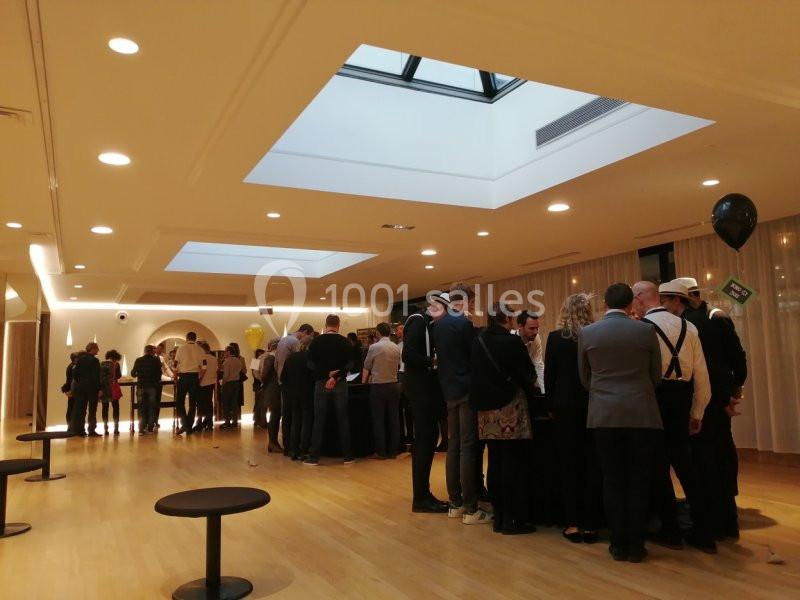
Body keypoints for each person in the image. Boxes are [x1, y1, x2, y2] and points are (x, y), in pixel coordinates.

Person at [578, 283, 662, 563]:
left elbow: (584, 377)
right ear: (631, 304)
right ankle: (637, 545)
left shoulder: (588, 333)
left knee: (612, 479)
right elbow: (656, 374)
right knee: (639, 479)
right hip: (641, 412)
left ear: (604, 302)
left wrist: (604, 392)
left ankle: (617, 543)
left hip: (603, 413)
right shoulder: (645, 330)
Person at [633, 280, 715, 552]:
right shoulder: (689, 327)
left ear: (641, 299)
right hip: (682, 396)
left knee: (658, 466)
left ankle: (670, 529)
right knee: (686, 466)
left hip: (655, 397)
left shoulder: (642, 329)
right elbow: (703, 376)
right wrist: (697, 412)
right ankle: (705, 530)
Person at [673, 276, 747, 540]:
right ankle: (726, 514)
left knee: (710, 457)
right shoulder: (712, 317)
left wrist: (734, 387)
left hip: (708, 399)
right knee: (721, 452)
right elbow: (737, 358)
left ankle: (717, 516)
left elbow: (729, 359)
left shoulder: (703, 321)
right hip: (718, 396)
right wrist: (735, 385)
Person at [472, 303, 540, 535]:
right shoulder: (511, 342)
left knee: (495, 462)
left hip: (485, 411)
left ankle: (499, 517)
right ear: (508, 318)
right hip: (509, 407)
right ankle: (514, 519)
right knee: (513, 464)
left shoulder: (477, 341)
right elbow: (527, 374)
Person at [544, 293, 602, 544]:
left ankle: (573, 522)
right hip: (594, 402)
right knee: (592, 462)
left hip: (565, 405)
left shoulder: (556, 338)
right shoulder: (597, 335)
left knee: (568, 463)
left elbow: (549, 376)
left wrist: (550, 406)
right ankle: (592, 522)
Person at [432, 283, 488, 524]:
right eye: (472, 302)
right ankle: (470, 507)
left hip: (448, 389)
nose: (473, 307)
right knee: (467, 446)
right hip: (466, 389)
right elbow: (472, 357)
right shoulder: (463, 323)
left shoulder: (439, 324)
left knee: (453, 445)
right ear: (464, 301)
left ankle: (454, 502)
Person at [403, 296, 449, 513]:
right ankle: (421, 497)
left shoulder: (425, 323)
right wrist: (433, 361)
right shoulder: (418, 321)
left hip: (425, 390)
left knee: (428, 440)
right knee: (425, 441)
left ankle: (423, 494)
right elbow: (409, 354)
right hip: (421, 390)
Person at [304, 315, 353, 466]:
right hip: (340, 384)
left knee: (319, 420)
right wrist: (336, 376)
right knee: (343, 419)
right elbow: (351, 364)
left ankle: (314, 457)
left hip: (321, 384)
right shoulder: (345, 341)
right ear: (338, 326)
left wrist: (326, 375)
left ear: (326, 325)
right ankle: (348, 456)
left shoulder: (316, 341)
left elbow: (310, 364)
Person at [362, 322, 402, 459]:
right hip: (394, 385)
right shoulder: (396, 347)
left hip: (378, 386)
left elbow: (367, 365)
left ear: (378, 333)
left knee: (378, 419)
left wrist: (364, 381)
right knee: (394, 419)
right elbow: (398, 365)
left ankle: (381, 451)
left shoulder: (374, 347)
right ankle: (393, 451)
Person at [276, 324, 314, 453]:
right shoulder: (295, 342)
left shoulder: (283, 340)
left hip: (285, 384)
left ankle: (288, 446)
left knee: (287, 416)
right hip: (298, 386)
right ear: (305, 332)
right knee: (299, 417)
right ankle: (300, 447)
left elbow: (277, 364)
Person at [173, 332, 205, 435]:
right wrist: (200, 378)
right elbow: (204, 367)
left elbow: (175, 364)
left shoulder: (181, 348)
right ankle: (189, 426)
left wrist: (175, 376)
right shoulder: (200, 350)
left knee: (179, 402)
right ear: (195, 338)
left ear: (187, 338)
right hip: (194, 377)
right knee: (193, 403)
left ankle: (185, 424)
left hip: (184, 377)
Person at [69, 342, 101, 436]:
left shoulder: (80, 360)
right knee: (92, 410)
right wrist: (99, 388)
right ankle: (91, 430)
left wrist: (80, 382)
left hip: (80, 388)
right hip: (92, 388)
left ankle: (80, 431)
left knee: (81, 409)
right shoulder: (95, 361)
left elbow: (75, 374)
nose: (98, 350)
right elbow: (96, 376)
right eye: (97, 348)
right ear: (92, 349)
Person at [131, 345, 162, 434]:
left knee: (141, 408)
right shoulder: (155, 361)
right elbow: (159, 374)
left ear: (145, 351)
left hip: (141, 386)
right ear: (152, 351)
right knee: (151, 407)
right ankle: (150, 428)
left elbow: (133, 373)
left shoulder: (138, 360)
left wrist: (139, 374)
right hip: (152, 387)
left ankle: (141, 428)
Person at [260, 338, 282, 452]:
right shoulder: (271, 358)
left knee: (276, 415)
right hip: (273, 390)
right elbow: (264, 375)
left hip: (272, 389)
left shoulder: (272, 358)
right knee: (275, 416)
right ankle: (272, 442)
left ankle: (273, 442)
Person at [95, 350, 122, 436]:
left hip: (104, 389)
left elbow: (99, 377)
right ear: (116, 357)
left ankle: (105, 429)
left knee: (105, 408)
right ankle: (116, 428)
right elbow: (118, 375)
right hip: (113, 388)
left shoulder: (101, 364)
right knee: (116, 408)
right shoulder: (116, 365)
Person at [516, 311, 544, 392]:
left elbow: (539, 364)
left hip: (528, 379)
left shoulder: (536, 338)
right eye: (532, 328)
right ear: (520, 327)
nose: (536, 332)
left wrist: (543, 392)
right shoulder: (510, 340)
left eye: (537, 328)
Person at [220, 345, 245, 429]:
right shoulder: (238, 361)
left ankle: (227, 422)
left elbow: (226, 375)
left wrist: (222, 384)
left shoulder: (227, 361)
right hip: (236, 383)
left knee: (226, 403)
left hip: (228, 384)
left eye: (225, 351)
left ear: (228, 352)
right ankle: (235, 421)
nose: (224, 353)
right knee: (234, 403)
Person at [196, 342, 218, 431]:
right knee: (209, 403)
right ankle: (209, 423)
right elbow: (216, 370)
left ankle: (200, 422)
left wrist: (198, 380)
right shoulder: (214, 358)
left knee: (200, 404)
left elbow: (201, 370)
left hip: (202, 383)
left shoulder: (202, 358)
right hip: (211, 383)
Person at [154, 342, 174, 429]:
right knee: (152, 403)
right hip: (154, 383)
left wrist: (172, 376)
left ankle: (155, 420)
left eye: (160, 349)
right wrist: (170, 378)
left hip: (159, 383)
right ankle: (151, 421)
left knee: (157, 402)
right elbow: (159, 372)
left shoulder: (161, 358)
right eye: (157, 348)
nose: (159, 350)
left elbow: (166, 368)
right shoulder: (153, 358)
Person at [61, 352, 79, 424]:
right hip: (72, 390)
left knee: (71, 408)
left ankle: (70, 425)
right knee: (71, 408)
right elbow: (71, 380)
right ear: (75, 359)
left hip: (71, 389)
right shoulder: (72, 367)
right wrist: (70, 390)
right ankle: (70, 425)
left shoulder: (71, 366)